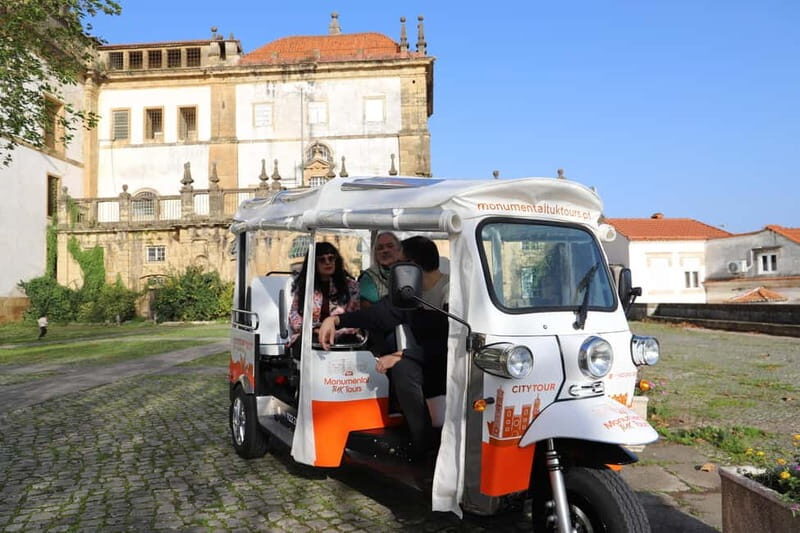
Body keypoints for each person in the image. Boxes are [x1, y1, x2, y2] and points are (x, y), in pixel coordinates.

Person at [319, 236, 449, 461]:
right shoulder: (408, 292)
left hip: (448, 364)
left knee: (402, 367)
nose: (395, 270)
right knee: (402, 368)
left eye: (400, 264)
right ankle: (424, 444)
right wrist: (336, 321)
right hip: (424, 362)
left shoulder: (451, 291)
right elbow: (377, 315)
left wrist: (401, 355)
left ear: (412, 266)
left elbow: (448, 344)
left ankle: (427, 449)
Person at [288, 242, 360, 351]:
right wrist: (314, 330)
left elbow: (355, 316)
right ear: (313, 263)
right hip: (311, 334)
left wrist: (334, 332)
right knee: (306, 344)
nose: (327, 263)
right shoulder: (305, 286)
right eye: (322, 260)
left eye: (331, 258)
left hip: (342, 334)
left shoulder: (351, 286)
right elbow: (294, 315)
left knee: (350, 342)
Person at [358, 232, 403, 308]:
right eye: (380, 248)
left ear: (399, 250)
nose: (385, 250)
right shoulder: (369, 277)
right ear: (375, 253)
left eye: (390, 246)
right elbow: (369, 311)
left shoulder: (411, 272)